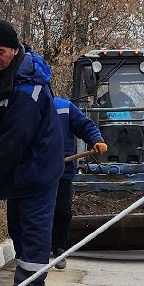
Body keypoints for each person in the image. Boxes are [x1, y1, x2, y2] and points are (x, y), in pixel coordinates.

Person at [0, 20, 62, 286]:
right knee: (17, 228)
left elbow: (16, 137)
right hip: (20, 168)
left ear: (14, 50)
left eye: (0, 52)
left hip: (37, 167)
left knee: (33, 229)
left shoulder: (28, 87)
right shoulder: (0, 75)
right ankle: (25, 282)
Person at [52, 96, 108, 268]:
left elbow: (85, 125)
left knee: (62, 210)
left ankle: (59, 248)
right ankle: (33, 251)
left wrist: (96, 139)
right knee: (34, 211)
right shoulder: (25, 105)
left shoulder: (64, 107)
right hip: (34, 169)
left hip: (62, 168)